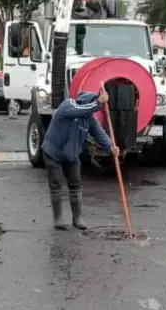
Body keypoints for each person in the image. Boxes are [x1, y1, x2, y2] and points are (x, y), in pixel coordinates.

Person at [41, 91, 120, 230]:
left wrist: (111, 147)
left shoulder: (89, 119)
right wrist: (98, 102)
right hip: (53, 152)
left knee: (75, 184)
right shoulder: (68, 105)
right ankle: (58, 218)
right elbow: (79, 111)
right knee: (56, 184)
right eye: (93, 104)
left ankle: (77, 218)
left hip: (71, 156)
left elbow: (100, 135)